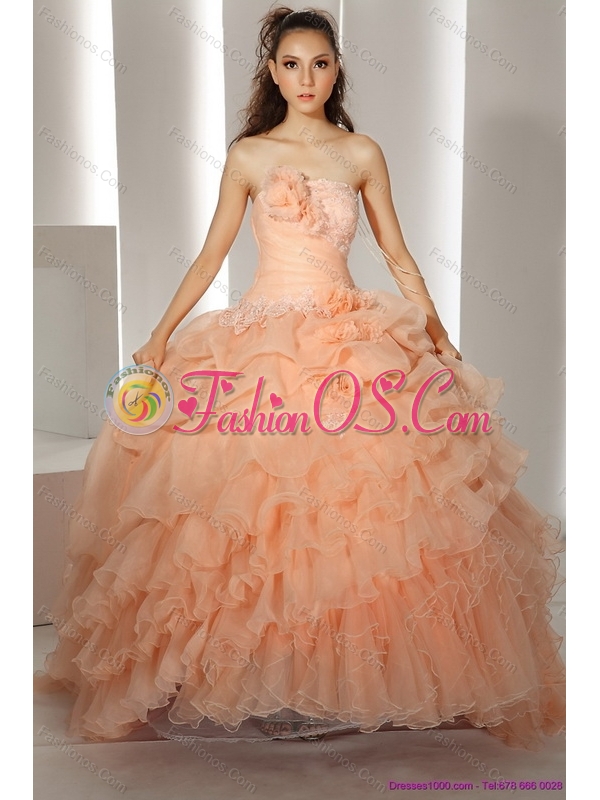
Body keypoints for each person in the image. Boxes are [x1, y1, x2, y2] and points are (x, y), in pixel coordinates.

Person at [35, 6, 565, 750]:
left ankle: (340, 681)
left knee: (362, 515)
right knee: (249, 513)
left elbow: (398, 255)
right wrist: (159, 335)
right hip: (261, 344)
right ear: (273, 72)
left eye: (319, 63)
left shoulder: (361, 153)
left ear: (336, 69)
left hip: (350, 338)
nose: (306, 78)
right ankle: (264, 677)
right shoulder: (250, 156)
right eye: (292, 64)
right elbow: (210, 258)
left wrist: (439, 338)